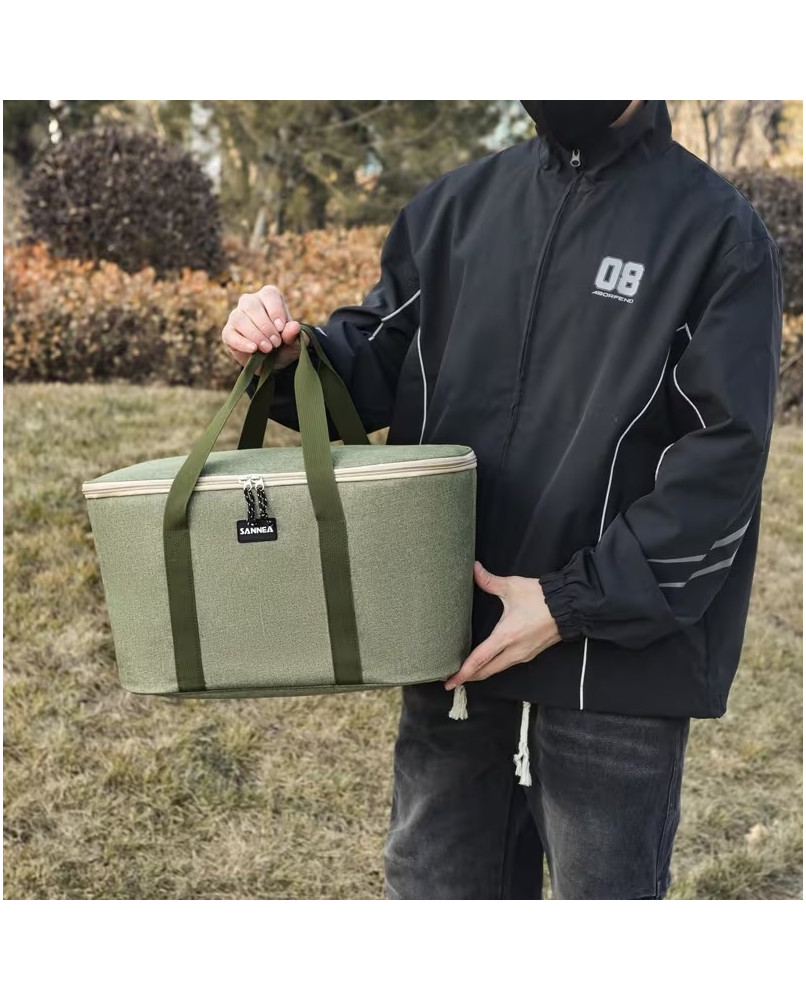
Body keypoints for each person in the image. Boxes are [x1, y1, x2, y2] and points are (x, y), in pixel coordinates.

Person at [221, 100, 783, 899]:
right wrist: (285, 354)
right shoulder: (455, 207)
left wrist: (568, 602)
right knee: (436, 894)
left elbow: (721, 462)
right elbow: (372, 363)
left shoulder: (716, 232)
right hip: (455, 642)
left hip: (609, 670)